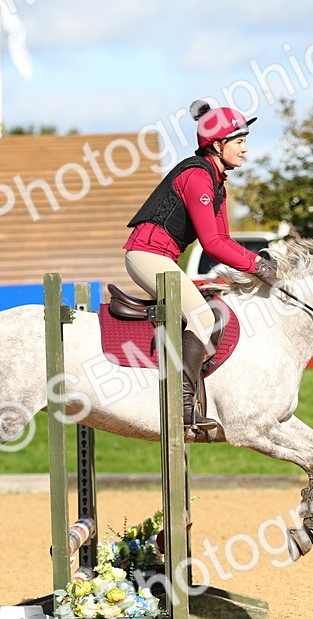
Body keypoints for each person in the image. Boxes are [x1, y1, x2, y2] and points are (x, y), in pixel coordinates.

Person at [124, 100, 277, 430]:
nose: (245, 149)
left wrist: (257, 262)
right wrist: (258, 267)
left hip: (161, 257)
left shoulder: (217, 182)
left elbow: (224, 240)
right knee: (201, 316)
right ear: (218, 144)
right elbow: (212, 245)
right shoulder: (197, 175)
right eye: (239, 142)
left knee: (206, 306)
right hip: (146, 256)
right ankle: (184, 405)